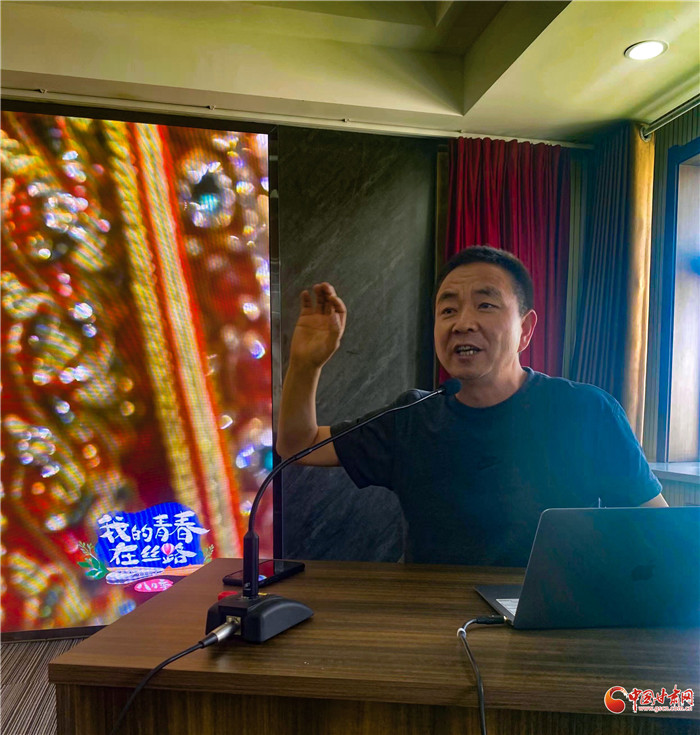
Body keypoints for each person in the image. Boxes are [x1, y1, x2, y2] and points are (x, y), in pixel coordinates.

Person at [276, 246, 668, 566]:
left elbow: (658, 530)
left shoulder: (586, 412)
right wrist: (305, 365)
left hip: (551, 621)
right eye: (448, 310)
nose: (462, 323)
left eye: (485, 305)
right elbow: (298, 444)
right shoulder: (411, 418)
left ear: (525, 329)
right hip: (433, 622)